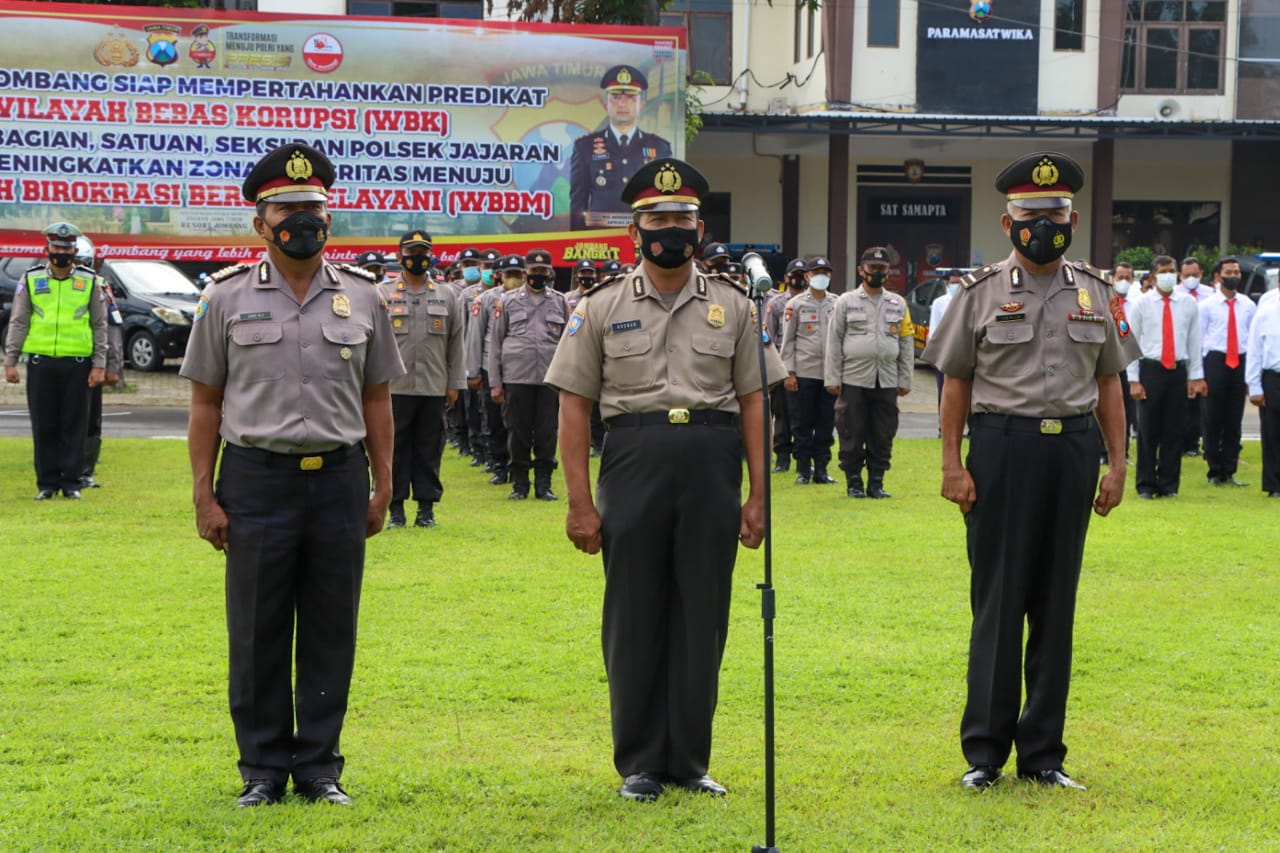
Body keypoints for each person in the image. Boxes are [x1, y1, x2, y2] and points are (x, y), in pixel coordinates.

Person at [545, 157, 785, 802]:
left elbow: (755, 401)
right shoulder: (599, 306)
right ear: (635, 231)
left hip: (711, 461)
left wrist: (759, 495)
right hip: (634, 459)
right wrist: (579, 503)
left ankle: (689, 759)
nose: (670, 230)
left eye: (682, 218)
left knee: (703, 614)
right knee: (635, 614)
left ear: (700, 229)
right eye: (657, 220)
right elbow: (574, 405)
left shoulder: (736, 305)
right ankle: (641, 762)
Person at [180, 142, 404, 808]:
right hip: (256, 481)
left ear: (330, 219)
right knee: (257, 629)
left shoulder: (363, 296)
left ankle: (319, 768)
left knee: (332, 627)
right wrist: (203, 495)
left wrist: (383, 482)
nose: (302, 220)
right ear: (260, 223)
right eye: (287, 210)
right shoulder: (224, 297)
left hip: (338, 480)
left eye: (314, 208)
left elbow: (377, 398)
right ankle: (262, 768)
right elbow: (205, 403)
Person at [923, 151, 1139, 792]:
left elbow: (1109, 384)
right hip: (1002, 451)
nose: (1043, 224)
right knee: (998, 601)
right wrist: (951, 463)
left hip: (1071, 452)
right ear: (1006, 221)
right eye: (1030, 214)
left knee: (1055, 603)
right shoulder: (978, 293)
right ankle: (985, 754)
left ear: (1073, 219)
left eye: (1056, 214)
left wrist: (1117, 464)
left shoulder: (1097, 292)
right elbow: (955, 383)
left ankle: (1043, 754)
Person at [4, 222, 108, 500]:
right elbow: (19, 321)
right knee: (44, 424)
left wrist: (99, 364)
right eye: (56, 247)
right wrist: (10, 360)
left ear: (74, 251)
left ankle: (71, 483)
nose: (61, 253)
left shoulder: (89, 281)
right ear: (47, 248)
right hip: (41, 363)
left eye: (66, 248)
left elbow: (99, 325)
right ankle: (47, 483)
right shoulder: (31, 279)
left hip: (78, 363)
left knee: (74, 424)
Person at [380, 230, 465, 528]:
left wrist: (454, 383)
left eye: (423, 253)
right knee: (394, 450)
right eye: (412, 253)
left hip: (433, 386)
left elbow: (456, 343)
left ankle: (426, 510)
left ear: (431, 255)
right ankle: (396, 510)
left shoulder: (447, 294)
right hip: (394, 387)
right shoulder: (383, 293)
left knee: (429, 449)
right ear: (399, 256)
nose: (418, 258)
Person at [825, 247, 914, 499]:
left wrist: (905, 378)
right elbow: (834, 340)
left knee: (883, 432)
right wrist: (832, 377)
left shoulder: (898, 303)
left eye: (882, 268)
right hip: (853, 378)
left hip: (886, 379)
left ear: (888, 271)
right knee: (851, 430)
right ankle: (854, 482)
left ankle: (876, 482)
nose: (877, 272)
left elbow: (906, 343)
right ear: (861, 270)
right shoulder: (846, 301)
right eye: (872, 268)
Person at [489, 248, 567, 500]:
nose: (538, 274)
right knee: (518, 432)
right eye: (534, 270)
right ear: (526, 271)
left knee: (547, 433)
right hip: (516, 378)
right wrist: (495, 382)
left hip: (549, 380)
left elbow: (568, 344)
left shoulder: (560, 301)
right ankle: (519, 484)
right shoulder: (508, 301)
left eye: (543, 270)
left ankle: (544, 484)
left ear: (550, 272)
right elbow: (496, 343)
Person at [1126, 255, 1207, 498]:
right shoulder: (1142, 304)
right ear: (1153, 277)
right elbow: (1130, 343)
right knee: (1148, 429)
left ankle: (1169, 485)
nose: (1168, 275)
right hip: (1151, 370)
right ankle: (1146, 484)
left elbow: (1194, 342)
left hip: (1177, 370)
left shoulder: (1188, 304)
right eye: (1163, 271)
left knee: (1174, 429)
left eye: (1172, 270)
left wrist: (1195, 376)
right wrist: (1133, 380)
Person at [569, 65, 672, 230]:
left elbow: (665, 202)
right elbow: (578, 202)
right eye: (616, 97)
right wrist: (577, 240)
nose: (622, 104)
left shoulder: (660, 148)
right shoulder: (585, 147)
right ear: (606, 104)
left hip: (642, 238)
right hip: (600, 240)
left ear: (641, 105)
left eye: (630, 97)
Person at [781, 255, 838, 485]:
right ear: (807, 276)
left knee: (826, 424)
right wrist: (789, 372)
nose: (821, 277)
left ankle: (821, 469)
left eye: (825, 273)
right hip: (803, 373)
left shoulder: (837, 303)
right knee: (802, 424)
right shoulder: (795, 304)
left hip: (829, 374)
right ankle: (804, 469)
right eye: (816, 273)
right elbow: (788, 341)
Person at [1199, 257, 1255, 487]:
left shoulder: (1248, 305)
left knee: (1234, 418)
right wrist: (1199, 375)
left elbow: (1252, 339)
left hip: (1239, 361)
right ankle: (1214, 470)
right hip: (1215, 360)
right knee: (1213, 417)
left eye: (1237, 272)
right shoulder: (1206, 306)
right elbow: (1198, 340)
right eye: (1229, 272)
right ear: (1218, 276)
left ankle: (1229, 470)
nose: (1234, 276)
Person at [467, 253, 523, 485]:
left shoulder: (529, 298)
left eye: (517, 274)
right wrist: (473, 372)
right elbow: (475, 336)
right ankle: (499, 465)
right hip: (491, 366)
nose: (513, 278)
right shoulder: (486, 299)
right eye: (509, 274)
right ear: (500, 275)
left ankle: (518, 464)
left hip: (519, 368)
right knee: (494, 419)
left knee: (519, 421)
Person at [75, 235, 124, 489]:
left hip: (94, 361)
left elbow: (112, 326)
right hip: (63, 360)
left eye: (81, 262)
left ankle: (85, 471)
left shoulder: (100, 286)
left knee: (91, 420)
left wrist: (113, 367)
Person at [764, 259, 807, 472]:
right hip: (782, 365)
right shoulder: (776, 304)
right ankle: (782, 456)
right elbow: (768, 337)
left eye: (802, 274)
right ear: (786, 277)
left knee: (804, 414)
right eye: (794, 274)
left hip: (807, 364)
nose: (798, 278)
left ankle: (804, 456)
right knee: (781, 413)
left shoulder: (814, 301)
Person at [1245, 295, 1280, 497]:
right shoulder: (1266, 313)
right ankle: (1274, 485)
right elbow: (1255, 351)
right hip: (1274, 377)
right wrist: (1254, 386)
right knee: (1273, 432)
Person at [1178, 257, 1210, 457]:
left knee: (1200, 403)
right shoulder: (1175, 294)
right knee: (1181, 401)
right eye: (1187, 275)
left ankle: (1195, 443)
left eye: (1195, 275)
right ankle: (1181, 442)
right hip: (1181, 354)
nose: (1191, 278)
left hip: (1204, 354)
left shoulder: (1210, 294)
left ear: (1201, 274)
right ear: (1180, 276)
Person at [1111, 262, 1139, 461]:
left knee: (1127, 409)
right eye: (1120, 277)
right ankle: (1103, 452)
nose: (1123, 281)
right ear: (1113, 278)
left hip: (1128, 360)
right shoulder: (1105, 302)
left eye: (1127, 278)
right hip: (1109, 359)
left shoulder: (1137, 304)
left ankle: (1124, 452)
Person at [928, 269, 964, 406]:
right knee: (943, 390)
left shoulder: (968, 300)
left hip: (962, 351)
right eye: (954, 283)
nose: (956, 286)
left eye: (959, 282)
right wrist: (933, 354)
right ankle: (943, 419)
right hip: (944, 353)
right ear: (947, 284)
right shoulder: (939, 302)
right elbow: (934, 329)